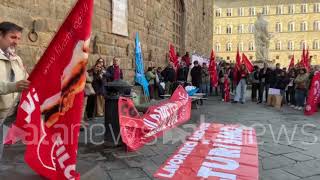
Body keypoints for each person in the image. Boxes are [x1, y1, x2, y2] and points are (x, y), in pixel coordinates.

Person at [0, 22, 29, 159]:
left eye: (18, 38)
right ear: (0, 35)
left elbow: (26, 79)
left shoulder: (16, 59)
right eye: (13, 37)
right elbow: (15, 85)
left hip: (8, 116)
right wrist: (14, 86)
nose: (16, 42)